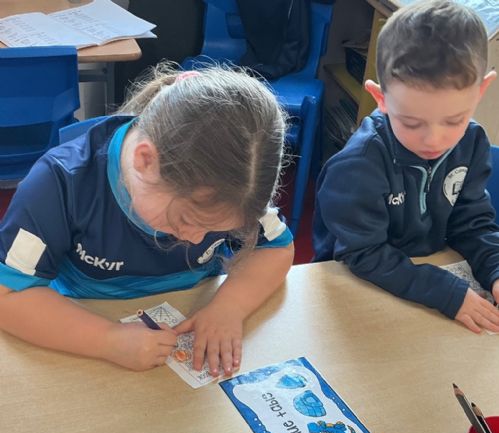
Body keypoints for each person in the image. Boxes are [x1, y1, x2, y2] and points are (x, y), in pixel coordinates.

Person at [0, 65, 294, 375]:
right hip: (81, 323)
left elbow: (276, 248)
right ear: (145, 161)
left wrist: (229, 308)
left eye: (217, 229)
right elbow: (9, 294)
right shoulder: (59, 184)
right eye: (186, 219)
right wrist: (107, 340)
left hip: (190, 309)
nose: (196, 239)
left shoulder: (236, 187)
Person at [313, 0, 499, 333]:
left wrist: (495, 268)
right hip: (354, 286)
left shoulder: (471, 142)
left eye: (454, 120)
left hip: (424, 273)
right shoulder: (358, 165)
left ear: (480, 91)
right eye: (411, 122)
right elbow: (363, 254)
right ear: (380, 98)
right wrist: (445, 292)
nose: (434, 139)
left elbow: (472, 222)